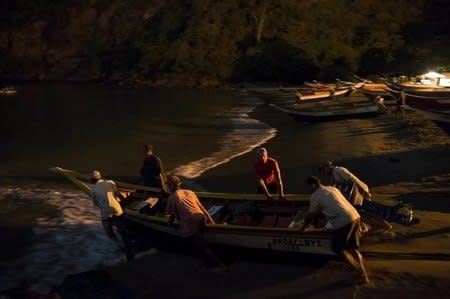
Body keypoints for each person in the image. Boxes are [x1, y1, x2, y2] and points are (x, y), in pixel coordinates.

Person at [299, 176, 369, 284]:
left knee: (338, 249)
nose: (307, 190)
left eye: (307, 187)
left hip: (343, 222)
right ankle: (361, 270)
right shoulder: (332, 188)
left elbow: (311, 215)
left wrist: (303, 228)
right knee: (352, 247)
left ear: (313, 185)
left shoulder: (315, 196)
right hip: (355, 216)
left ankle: (360, 273)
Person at [164, 175, 227, 272]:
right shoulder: (190, 192)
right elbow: (202, 208)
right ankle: (208, 263)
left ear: (171, 186)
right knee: (200, 242)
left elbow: (168, 214)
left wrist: (170, 223)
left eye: (168, 185)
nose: (167, 187)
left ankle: (219, 265)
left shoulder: (172, 197)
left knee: (200, 246)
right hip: (201, 217)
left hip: (190, 222)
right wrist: (212, 222)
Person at [90, 170, 134, 261]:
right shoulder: (110, 182)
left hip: (106, 214)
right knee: (123, 231)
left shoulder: (93, 190)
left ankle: (121, 247)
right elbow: (117, 194)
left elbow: (96, 204)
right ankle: (129, 249)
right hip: (117, 210)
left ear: (92, 180)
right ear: (100, 177)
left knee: (109, 233)